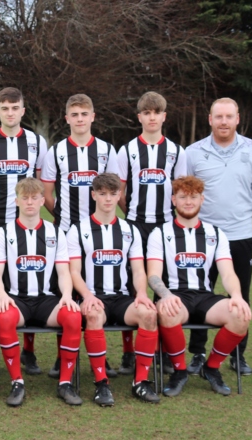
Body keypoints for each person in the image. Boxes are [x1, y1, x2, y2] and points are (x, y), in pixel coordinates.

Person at [147, 176, 252, 396]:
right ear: (174, 200)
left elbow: (228, 272)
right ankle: (180, 371)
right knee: (168, 311)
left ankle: (211, 368)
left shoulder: (215, 233)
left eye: (193, 197)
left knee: (241, 315)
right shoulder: (160, 233)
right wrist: (165, 296)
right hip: (175, 295)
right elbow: (153, 275)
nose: (188, 202)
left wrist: (236, 295)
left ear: (202, 199)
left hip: (205, 296)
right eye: (183, 197)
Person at [108, 91, 188, 376]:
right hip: (134, 225)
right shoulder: (127, 150)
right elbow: (120, 190)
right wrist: (131, 215)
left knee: (164, 285)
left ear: (164, 116)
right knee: (133, 289)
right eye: (147, 112)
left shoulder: (177, 151)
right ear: (139, 116)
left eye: (157, 112)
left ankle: (165, 352)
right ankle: (130, 353)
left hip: (165, 225)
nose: (152, 117)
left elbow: (179, 190)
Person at [40, 94, 119, 379]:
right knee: (68, 296)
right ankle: (64, 358)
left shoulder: (107, 150)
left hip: (101, 234)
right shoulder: (57, 151)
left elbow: (114, 189)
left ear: (93, 116)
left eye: (85, 114)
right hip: (66, 232)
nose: (80, 119)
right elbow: (47, 194)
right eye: (75, 114)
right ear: (67, 119)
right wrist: (62, 219)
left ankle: (102, 357)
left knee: (98, 292)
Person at [185, 98, 252, 376]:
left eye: (228, 116)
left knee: (240, 294)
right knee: (198, 294)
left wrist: (237, 216)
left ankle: (237, 354)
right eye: (218, 116)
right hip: (202, 237)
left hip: (241, 235)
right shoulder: (194, 152)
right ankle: (197, 352)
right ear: (209, 119)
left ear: (237, 119)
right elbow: (188, 194)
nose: (223, 121)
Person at [66, 173, 160, 405]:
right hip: (92, 296)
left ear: (120, 195)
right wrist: (87, 295)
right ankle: (101, 383)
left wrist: (140, 294)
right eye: (102, 194)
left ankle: (141, 381)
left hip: (122, 298)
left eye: (112, 194)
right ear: (94, 195)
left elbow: (138, 270)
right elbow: (74, 272)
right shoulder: (78, 230)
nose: (108, 199)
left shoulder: (130, 230)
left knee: (149, 314)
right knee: (94, 315)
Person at [0, 177, 82, 406]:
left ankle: (65, 383)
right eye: (25, 197)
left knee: (73, 317)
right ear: (16, 200)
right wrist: (2, 297)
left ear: (42, 200)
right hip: (16, 298)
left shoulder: (55, 232)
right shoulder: (3, 233)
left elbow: (63, 272)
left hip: (47, 301)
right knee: (4, 317)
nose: (29, 202)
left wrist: (67, 297)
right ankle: (17, 382)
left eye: (34, 197)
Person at [0, 87, 47, 377]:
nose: (10, 113)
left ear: (22, 111)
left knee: (31, 281)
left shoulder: (37, 143)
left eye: (15, 107)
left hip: (28, 224)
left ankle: (28, 351)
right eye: (4, 108)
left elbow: (40, 186)